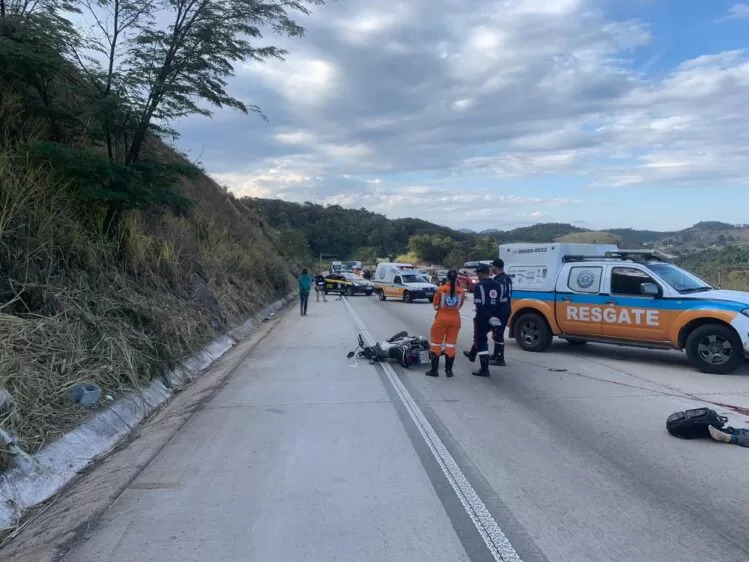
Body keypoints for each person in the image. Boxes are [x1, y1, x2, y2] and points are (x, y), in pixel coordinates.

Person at [462, 264, 503, 377]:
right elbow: (502, 302)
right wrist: (497, 317)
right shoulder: (498, 284)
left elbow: (479, 305)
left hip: (483, 318)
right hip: (496, 318)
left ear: (480, 273)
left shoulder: (479, 286)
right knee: (480, 338)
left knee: (481, 341)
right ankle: (472, 354)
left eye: (478, 273)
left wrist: (488, 317)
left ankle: (484, 369)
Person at [425, 269, 465, 378]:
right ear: (456, 278)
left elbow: (435, 305)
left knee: (436, 344)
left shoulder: (441, 289)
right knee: (450, 345)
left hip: (441, 319)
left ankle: (434, 370)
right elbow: (460, 305)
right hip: (455, 320)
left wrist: (442, 310)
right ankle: (449, 371)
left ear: (447, 278)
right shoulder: (461, 291)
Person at [489, 258, 512, 366]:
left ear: (495, 267)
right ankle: (495, 354)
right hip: (506, 307)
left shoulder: (498, 281)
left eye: (492, 266)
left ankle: (500, 358)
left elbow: (496, 298)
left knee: (498, 333)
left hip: (500, 310)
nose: (491, 268)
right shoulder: (506, 278)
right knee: (497, 333)